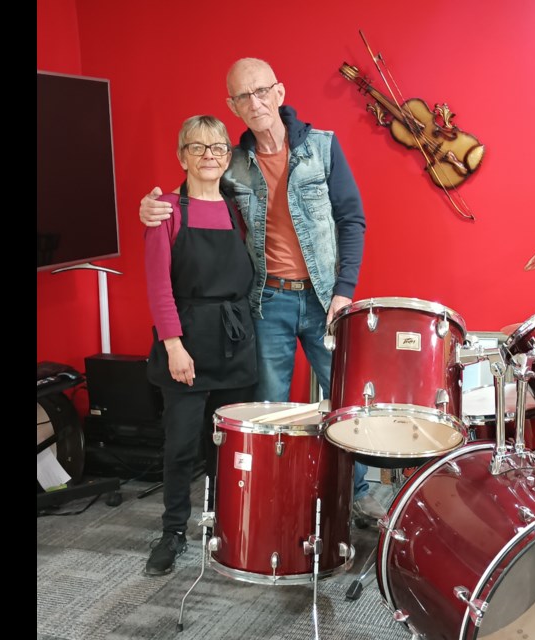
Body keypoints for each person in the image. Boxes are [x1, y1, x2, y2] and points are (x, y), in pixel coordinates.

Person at [140, 58, 385, 522]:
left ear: (279, 92)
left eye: (260, 92)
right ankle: (276, 495)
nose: (254, 104)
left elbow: (351, 219)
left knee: (347, 398)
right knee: (268, 409)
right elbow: (195, 193)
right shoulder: (232, 160)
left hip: (324, 300)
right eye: (242, 97)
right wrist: (152, 208)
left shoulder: (323, 148)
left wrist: (344, 291)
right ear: (232, 105)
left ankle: (358, 493)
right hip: (265, 302)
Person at [142, 115, 259, 576]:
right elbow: (158, 288)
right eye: (198, 147)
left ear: (227, 156)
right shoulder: (166, 211)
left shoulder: (238, 210)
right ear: (181, 156)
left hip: (235, 341)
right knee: (181, 446)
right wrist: (174, 346)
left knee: (227, 447)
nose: (209, 155)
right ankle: (173, 530)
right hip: (186, 342)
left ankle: (222, 523)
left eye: (217, 148)